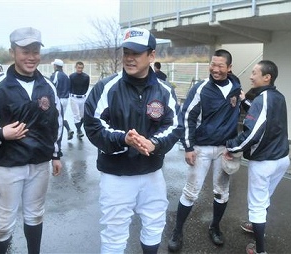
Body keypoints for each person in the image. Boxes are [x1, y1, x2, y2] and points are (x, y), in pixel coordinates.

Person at [84, 27, 182, 254]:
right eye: (126, 51)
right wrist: (123, 139)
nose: (129, 57)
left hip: (152, 172)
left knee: (155, 222)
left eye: (136, 53)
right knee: (114, 231)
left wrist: (154, 143)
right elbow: (93, 125)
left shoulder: (165, 90)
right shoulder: (106, 88)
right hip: (116, 175)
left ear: (152, 55)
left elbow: (175, 125)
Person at [0, 27, 63, 254]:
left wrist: (56, 154)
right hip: (9, 166)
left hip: (40, 164)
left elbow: (56, 122)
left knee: (35, 215)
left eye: (35, 50)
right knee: (2, 224)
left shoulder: (48, 86)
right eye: (25, 50)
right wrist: (1, 134)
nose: (31, 56)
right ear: (13, 51)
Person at [168, 49, 242, 252]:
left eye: (220, 65)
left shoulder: (237, 88)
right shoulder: (201, 88)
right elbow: (186, 117)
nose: (215, 69)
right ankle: (177, 231)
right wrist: (188, 147)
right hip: (201, 148)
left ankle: (215, 227)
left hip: (224, 150)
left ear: (229, 68)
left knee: (222, 192)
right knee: (191, 192)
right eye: (212, 64)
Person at [225, 60, 290, 254]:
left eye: (254, 73)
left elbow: (252, 134)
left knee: (257, 205)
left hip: (264, 161)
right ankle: (256, 226)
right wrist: (245, 101)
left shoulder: (263, 100)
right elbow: (263, 115)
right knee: (265, 198)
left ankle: (260, 250)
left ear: (267, 77)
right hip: (282, 159)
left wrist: (231, 147)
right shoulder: (277, 96)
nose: (251, 76)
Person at [50, 58, 74, 140]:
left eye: (54, 65)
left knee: (57, 117)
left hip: (58, 98)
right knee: (61, 116)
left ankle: (57, 136)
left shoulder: (55, 75)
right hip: (66, 98)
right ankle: (68, 129)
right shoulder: (66, 75)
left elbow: (51, 86)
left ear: (56, 66)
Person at [69, 61, 90, 139]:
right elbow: (70, 86)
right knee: (76, 115)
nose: (80, 69)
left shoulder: (86, 77)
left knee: (82, 116)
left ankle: (79, 129)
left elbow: (87, 86)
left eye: (81, 68)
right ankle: (79, 130)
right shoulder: (71, 76)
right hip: (74, 97)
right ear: (75, 67)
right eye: (78, 67)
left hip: (83, 97)